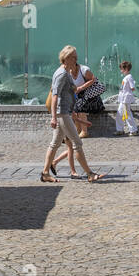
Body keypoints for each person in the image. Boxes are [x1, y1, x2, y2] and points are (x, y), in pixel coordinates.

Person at [42, 46, 105, 183]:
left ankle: (45, 173)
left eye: (76, 57)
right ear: (65, 58)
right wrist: (53, 117)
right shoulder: (61, 74)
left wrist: (79, 119)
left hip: (65, 113)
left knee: (55, 144)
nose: (76, 60)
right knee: (77, 142)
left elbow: (72, 93)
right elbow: (55, 96)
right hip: (62, 114)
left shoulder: (67, 73)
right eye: (73, 57)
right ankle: (89, 174)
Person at [115, 60, 139, 135]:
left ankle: (133, 130)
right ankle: (120, 129)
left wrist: (129, 89)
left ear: (126, 69)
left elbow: (132, 87)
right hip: (123, 99)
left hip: (125, 99)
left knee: (127, 114)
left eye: (121, 69)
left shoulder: (129, 77)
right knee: (119, 113)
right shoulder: (126, 77)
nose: (121, 71)